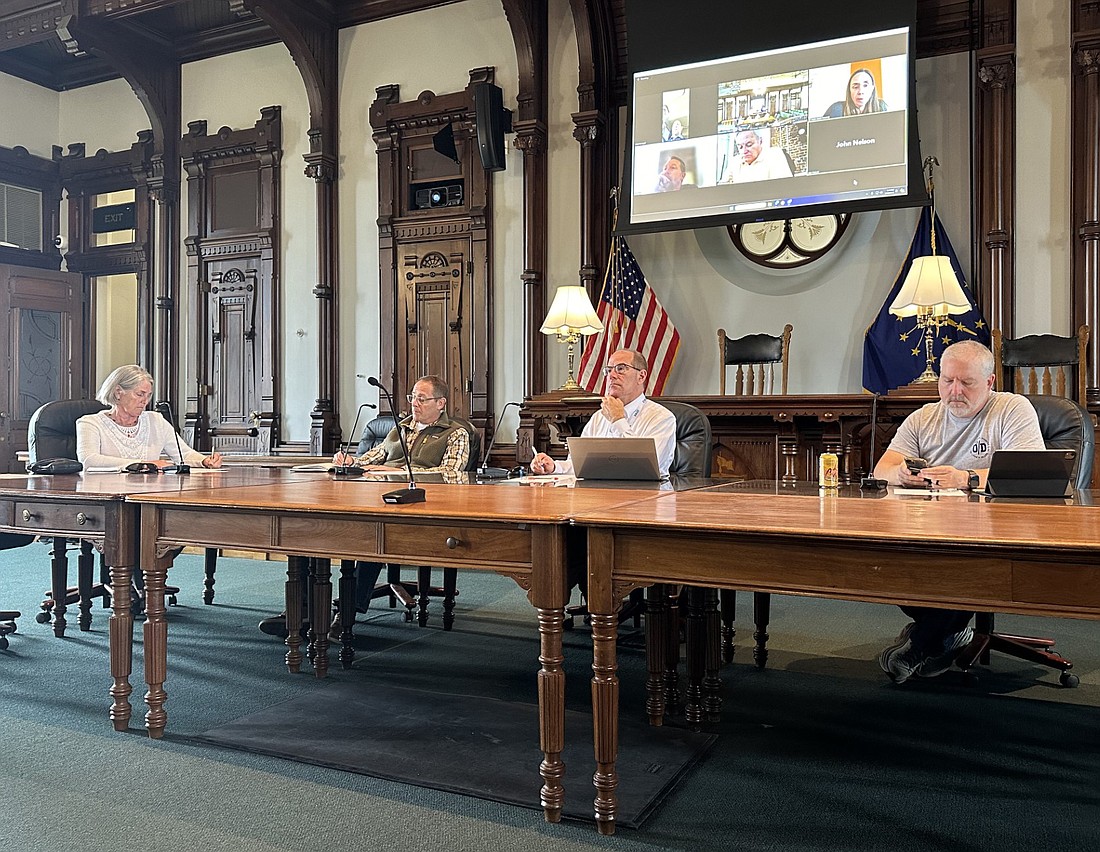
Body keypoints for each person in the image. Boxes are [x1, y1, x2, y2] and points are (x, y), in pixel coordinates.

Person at [872, 340, 1045, 684]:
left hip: (995, 529)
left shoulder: (1011, 409)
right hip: (931, 526)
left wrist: (965, 477)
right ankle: (950, 636)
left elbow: (1031, 472)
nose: (954, 391)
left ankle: (921, 646)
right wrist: (902, 473)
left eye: (966, 383)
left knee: (964, 569)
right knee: (889, 565)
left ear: (990, 382)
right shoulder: (924, 416)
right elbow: (882, 468)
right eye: (947, 381)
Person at [259, 375, 471, 639]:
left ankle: (346, 614)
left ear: (441, 403)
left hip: (417, 508)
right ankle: (302, 611)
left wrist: (395, 473)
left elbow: (451, 474)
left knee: (372, 538)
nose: (414, 403)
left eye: (421, 398)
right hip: (372, 498)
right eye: (412, 397)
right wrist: (350, 460)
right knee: (306, 528)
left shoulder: (456, 433)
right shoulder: (400, 429)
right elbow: (372, 457)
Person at [530, 349, 676, 479]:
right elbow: (579, 465)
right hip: (599, 496)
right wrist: (554, 467)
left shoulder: (662, 418)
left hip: (645, 499)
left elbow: (644, 467)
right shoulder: (599, 417)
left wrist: (618, 420)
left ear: (641, 376)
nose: (612, 375)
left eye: (620, 369)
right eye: (609, 370)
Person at [76, 364, 223, 471]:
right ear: (118, 392)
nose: (145, 401)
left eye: (148, 396)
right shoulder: (90, 423)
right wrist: (145, 464)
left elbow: (183, 454)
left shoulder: (155, 420)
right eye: (139, 394)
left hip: (150, 493)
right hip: (107, 496)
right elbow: (89, 460)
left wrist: (204, 460)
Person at [722, 129, 793, 183]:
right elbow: (723, 186)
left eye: (749, 145)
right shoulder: (735, 161)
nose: (744, 151)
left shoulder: (774, 155)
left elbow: (783, 186)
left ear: (760, 141)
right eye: (740, 147)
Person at [823, 68, 889, 118]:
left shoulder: (881, 107)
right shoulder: (836, 109)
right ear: (849, 90)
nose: (860, 92)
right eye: (855, 87)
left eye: (865, 85)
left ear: (872, 89)